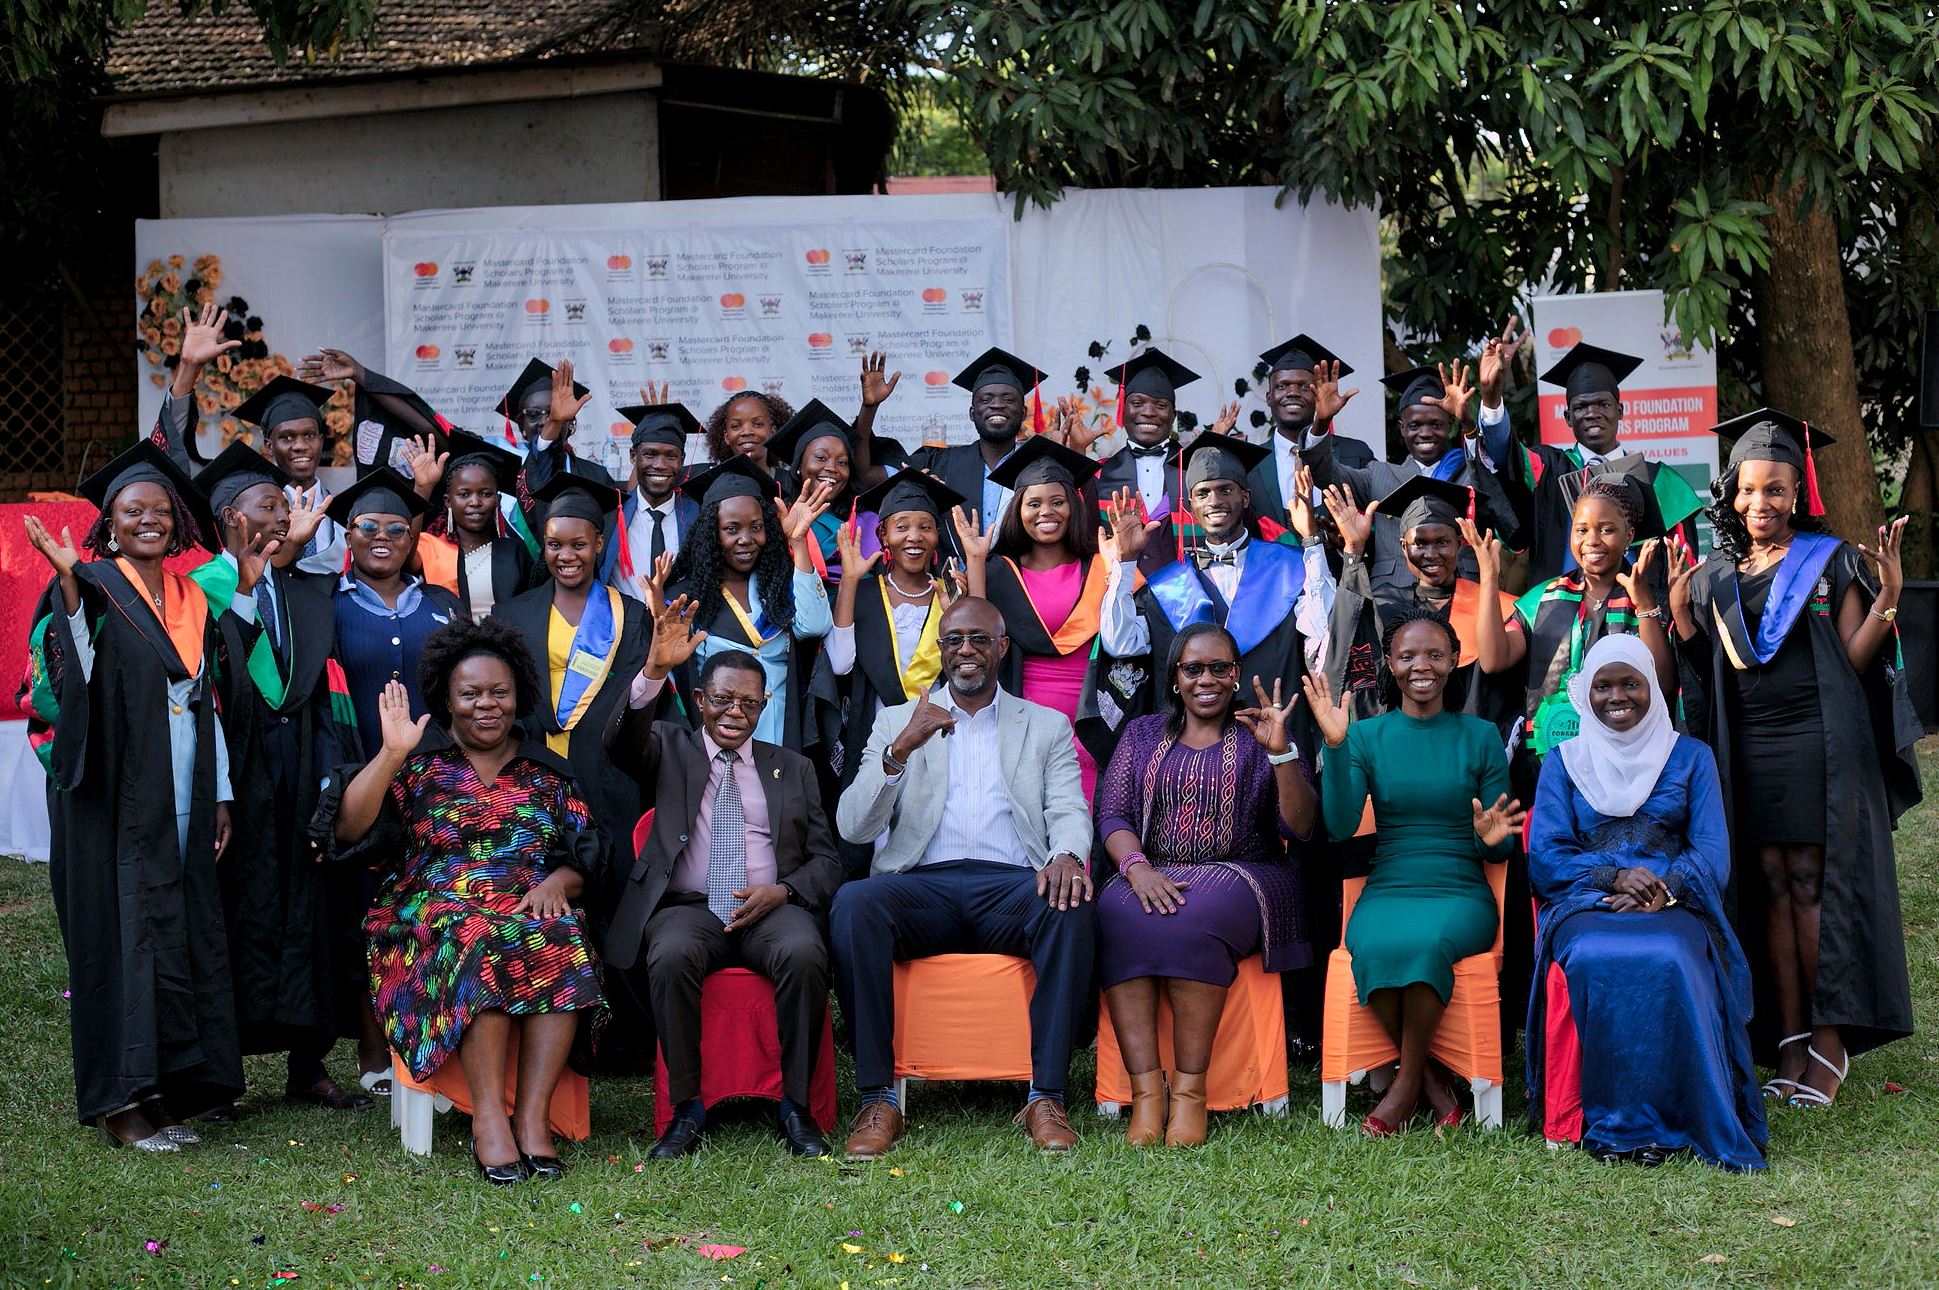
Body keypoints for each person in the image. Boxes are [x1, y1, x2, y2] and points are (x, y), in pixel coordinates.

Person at [1672, 410, 1919, 1108]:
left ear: (1796, 494)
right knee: (1768, 884)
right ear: (1731, 493)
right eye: (1748, 490)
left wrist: (1890, 596)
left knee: (1810, 884)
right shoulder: (1714, 574)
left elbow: (1853, 660)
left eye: (1775, 490)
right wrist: (1668, 610)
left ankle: (1827, 1039)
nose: (1760, 504)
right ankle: (1785, 1037)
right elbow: (1701, 672)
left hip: (1815, 745)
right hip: (1745, 752)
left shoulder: (1830, 559)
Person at [318, 620, 606, 1184]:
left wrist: (556, 884)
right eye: (470, 693)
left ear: (518, 693)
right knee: (479, 938)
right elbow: (348, 830)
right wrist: (390, 754)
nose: (486, 705)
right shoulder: (417, 763)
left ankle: (531, 1119)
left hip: (524, 903)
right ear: (447, 699)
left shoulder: (548, 771)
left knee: (565, 939)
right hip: (427, 914)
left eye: (498, 692)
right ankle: (489, 1123)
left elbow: (590, 853)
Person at [24, 441, 242, 1151]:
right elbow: (62, 688)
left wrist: (220, 795)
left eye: (158, 510)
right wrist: (67, 593)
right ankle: (120, 1103)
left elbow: (209, 700)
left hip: (183, 787)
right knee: (119, 940)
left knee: (175, 936)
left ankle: (167, 1089)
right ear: (109, 524)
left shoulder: (188, 596)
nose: (147, 520)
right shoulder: (87, 584)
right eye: (130, 511)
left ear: (178, 522)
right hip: (113, 799)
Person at [831, 597, 1096, 1158]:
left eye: (979, 638)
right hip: (922, 886)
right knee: (855, 904)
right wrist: (899, 751)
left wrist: (1068, 854)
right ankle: (878, 1097)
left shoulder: (1045, 725)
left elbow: (1069, 807)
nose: (966, 650)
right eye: (954, 640)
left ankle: (1046, 1095)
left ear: (1002, 647)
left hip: (1012, 885)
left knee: (1069, 905)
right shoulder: (896, 720)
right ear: (941, 650)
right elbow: (854, 827)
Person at [1525, 635, 1767, 1170]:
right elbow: (1545, 857)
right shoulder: (1563, 762)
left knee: (1673, 956)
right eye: (1603, 685)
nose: (1618, 696)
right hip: (1588, 903)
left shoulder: (1692, 757)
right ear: (1585, 692)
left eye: (1630, 683)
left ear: (1652, 688)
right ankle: (1612, 1122)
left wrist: (1666, 890)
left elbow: (1712, 853)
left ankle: (1682, 1116)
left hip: (1675, 904)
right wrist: (1612, 877)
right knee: (1593, 956)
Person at [606, 628, 842, 1160]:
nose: (734, 712)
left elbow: (828, 862)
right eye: (721, 699)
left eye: (748, 703)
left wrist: (782, 891)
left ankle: (796, 1108)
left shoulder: (793, 767)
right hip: (690, 909)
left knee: (804, 952)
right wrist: (653, 671)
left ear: (764, 705)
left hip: (769, 908)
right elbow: (618, 742)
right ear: (699, 700)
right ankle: (687, 1108)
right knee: (668, 954)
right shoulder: (667, 748)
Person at [190, 443, 370, 1116]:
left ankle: (307, 1064)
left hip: (296, 767)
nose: (284, 514)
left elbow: (319, 690)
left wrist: (329, 783)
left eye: (285, 505)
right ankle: (218, 1071)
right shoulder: (198, 589)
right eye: (269, 505)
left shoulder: (300, 593)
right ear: (229, 517)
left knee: (308, 908)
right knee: (235, 911)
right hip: (235, 768)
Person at [1095, 623, 1318, 1147]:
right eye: (1193, 668)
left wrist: (1281, 752)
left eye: (1220, 668)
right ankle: (1148, 1093)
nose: (1207, 679)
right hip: (1148, 869)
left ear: (1236, 674)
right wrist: (1138, 869)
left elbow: (1301, 826)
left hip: (1245, 872)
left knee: (1193, 917)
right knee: (1116, 911)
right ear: (1175, 678)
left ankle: (1190, 1095)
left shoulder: (1260, 733)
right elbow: (1112, 814)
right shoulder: (1144, 733)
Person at [1305, 610, 1524, 1134]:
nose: (1420, 666)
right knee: (1371, 943)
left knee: (1427, 944)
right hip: (1390, 883)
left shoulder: (1481, 736)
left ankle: (1402, 1089)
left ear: (1454, 661)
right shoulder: (1365, 736)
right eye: (1406, 656)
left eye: (1433, 654)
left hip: (1460, 890)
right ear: (1390, 665)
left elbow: (1495, 848)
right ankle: (1427, 1078)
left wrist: (1490, 840)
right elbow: (1338, 824)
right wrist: (1335, 748)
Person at [324, 467, 463, 1092]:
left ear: (415, 539)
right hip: (361, 773)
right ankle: (376, 1058)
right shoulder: (326, 606)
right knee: (365, 914)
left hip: (434, 780)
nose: (383, 537)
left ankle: (433, 1044)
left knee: (427, 909)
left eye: (397, 529)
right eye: (369, 527)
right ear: (348, 535)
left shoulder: (443, 605)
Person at [1101, 432, 1324, 756]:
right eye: (1203, 493)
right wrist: (1124, 561)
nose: (1215, 501)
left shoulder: (1290, 568)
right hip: (1192, 753)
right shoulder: (1168, 586)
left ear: (1245, 497)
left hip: (1275, 743)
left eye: (1225, 490)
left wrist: (1311, 543)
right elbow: (1120, 643)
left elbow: (1323, 634)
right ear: (1191, 506)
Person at [818, 469, 970, 874]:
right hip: (875, 731)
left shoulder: (950, 592)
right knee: (876, 830)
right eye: (902, 527)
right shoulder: (865, 594)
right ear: (883, 536)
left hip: (941, 733)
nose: (914, 537)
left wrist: (961, 606)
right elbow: (839, 663)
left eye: (925, 527)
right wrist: (849, 582)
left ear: (938, 537)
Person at [1467, 476, 1678, 767]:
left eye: (1607, 530)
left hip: (1625, 762)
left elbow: (1663, 684)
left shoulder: (1649, 602)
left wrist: (1643, 605)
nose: (1592, 540)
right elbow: (1494, 659)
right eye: (1582, 530)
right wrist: (1489, 576)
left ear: (1629, 535)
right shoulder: (1542, 599)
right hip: (1548, 763)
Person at [491, 473, 649, 846]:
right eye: (554, 545)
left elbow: (638, 698)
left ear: (599, 542)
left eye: (579, 544)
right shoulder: (510, 616)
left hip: (606, 770)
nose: (566, 556)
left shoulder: (630, 614)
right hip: (531, 767)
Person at [971, 435, 1130, 803]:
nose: (1047, 512)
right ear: (1018, 509)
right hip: (1023, 709)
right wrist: (976, 564)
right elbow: (978, 637)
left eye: (1058, 502)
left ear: (1073, 506)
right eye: (1034, 503)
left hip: (1091, 711)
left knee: (1086, 815)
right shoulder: (999, 573)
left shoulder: (1100, 565)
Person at [1475, 335, 1704, 583]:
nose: (1592, 413)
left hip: (1639, 613)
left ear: (1620, 411)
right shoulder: (1548, 469)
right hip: (1560, 612)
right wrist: (1491, 397)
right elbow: (1504, 457)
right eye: (1582, 407)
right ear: (1568, 417)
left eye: (1602, 404)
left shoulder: (1658, 481)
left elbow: (1683, 565)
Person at [661, 456, 836, 750]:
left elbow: (815, 627)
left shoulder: (779, 585)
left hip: (778, 732)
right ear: (712, 534)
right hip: (718, 735)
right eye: (732, 529)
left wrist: (798, 541)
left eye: (756, 527)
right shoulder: (687, 598)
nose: (746, 539)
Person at [1303, 359, 1520, 593]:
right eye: (1415, 425)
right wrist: (1321, 423)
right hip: (1393, 597)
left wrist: (1468, 422)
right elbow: (1324, 474)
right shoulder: (1378, 475)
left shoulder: (1473, 473)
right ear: (1401, 428)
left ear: (1450, 425)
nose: (1425, 433)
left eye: (1435, 424)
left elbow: (1496, 479)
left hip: (1463, 595)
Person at [1323, 475, 1521, 732]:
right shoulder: (1385, 606)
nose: (1431, 554)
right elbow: (1345, 643)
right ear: (1403, 548)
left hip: (1471, 747)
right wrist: (1353, 551)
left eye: (1442, 542)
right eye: (1420, 543)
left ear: (1459, 544)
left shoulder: (1497, 608)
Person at [907, 347, 1046, 528]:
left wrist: (1075, 449)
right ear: (972, 413)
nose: (997, 405)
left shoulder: (1039, 466)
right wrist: (870, 408)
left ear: (1023, 413)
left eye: (1008, 399)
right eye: (986, 399)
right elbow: (867, 476)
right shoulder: (939, 463)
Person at [1246, 333, 1376, 526]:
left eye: (1305, 387)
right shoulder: (1250, 464)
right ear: (1269, 398)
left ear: (1318, 395)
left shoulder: (1356, 455)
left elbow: (1377, 521)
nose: (1292, 393)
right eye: (1282, 386)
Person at [413, 429, 540, 623]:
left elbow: (533, 609)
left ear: (497, 499)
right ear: (448, 501)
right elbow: (402, 557)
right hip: (446, 649)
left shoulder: (514, 552)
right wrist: (422, 489)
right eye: (464, 494)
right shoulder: (430, 548)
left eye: (485, 494)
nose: (475, 502)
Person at [1091, 348, 1197, 580]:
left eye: (1160, 405)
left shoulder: (1194, 469)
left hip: (1187, 597)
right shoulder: (1100, 474)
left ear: (1173, 415)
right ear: (1123, 409)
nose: (1148, 412)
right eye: (1137, 403)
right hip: (1123, 595)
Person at [606, 394, 700, 600]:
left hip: (681, 625)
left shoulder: (698, 517)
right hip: (625, 626)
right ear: (633, 457)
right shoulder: (611, 515)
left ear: (682, 460)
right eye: (650, 454)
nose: (660, 464)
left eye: (671, 456)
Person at [703, 386, 795, 473]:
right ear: (726, 437)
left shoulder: (790, 485)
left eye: (758, 424)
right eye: (736, 426)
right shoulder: (714, 486)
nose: (746, 432)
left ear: (773, 432)